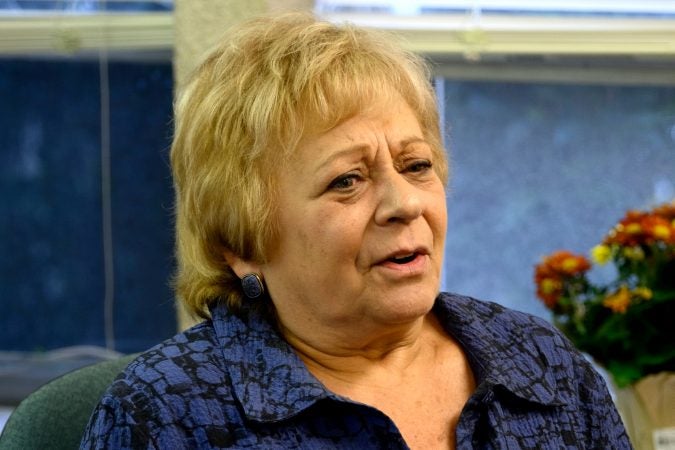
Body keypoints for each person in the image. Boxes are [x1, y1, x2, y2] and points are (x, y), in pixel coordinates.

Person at [80, 13, 631, 449]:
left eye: (416, 165)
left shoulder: (539, 363)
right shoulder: (166, 414)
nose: (404, 203)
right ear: (242, 243)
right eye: (347, 180)